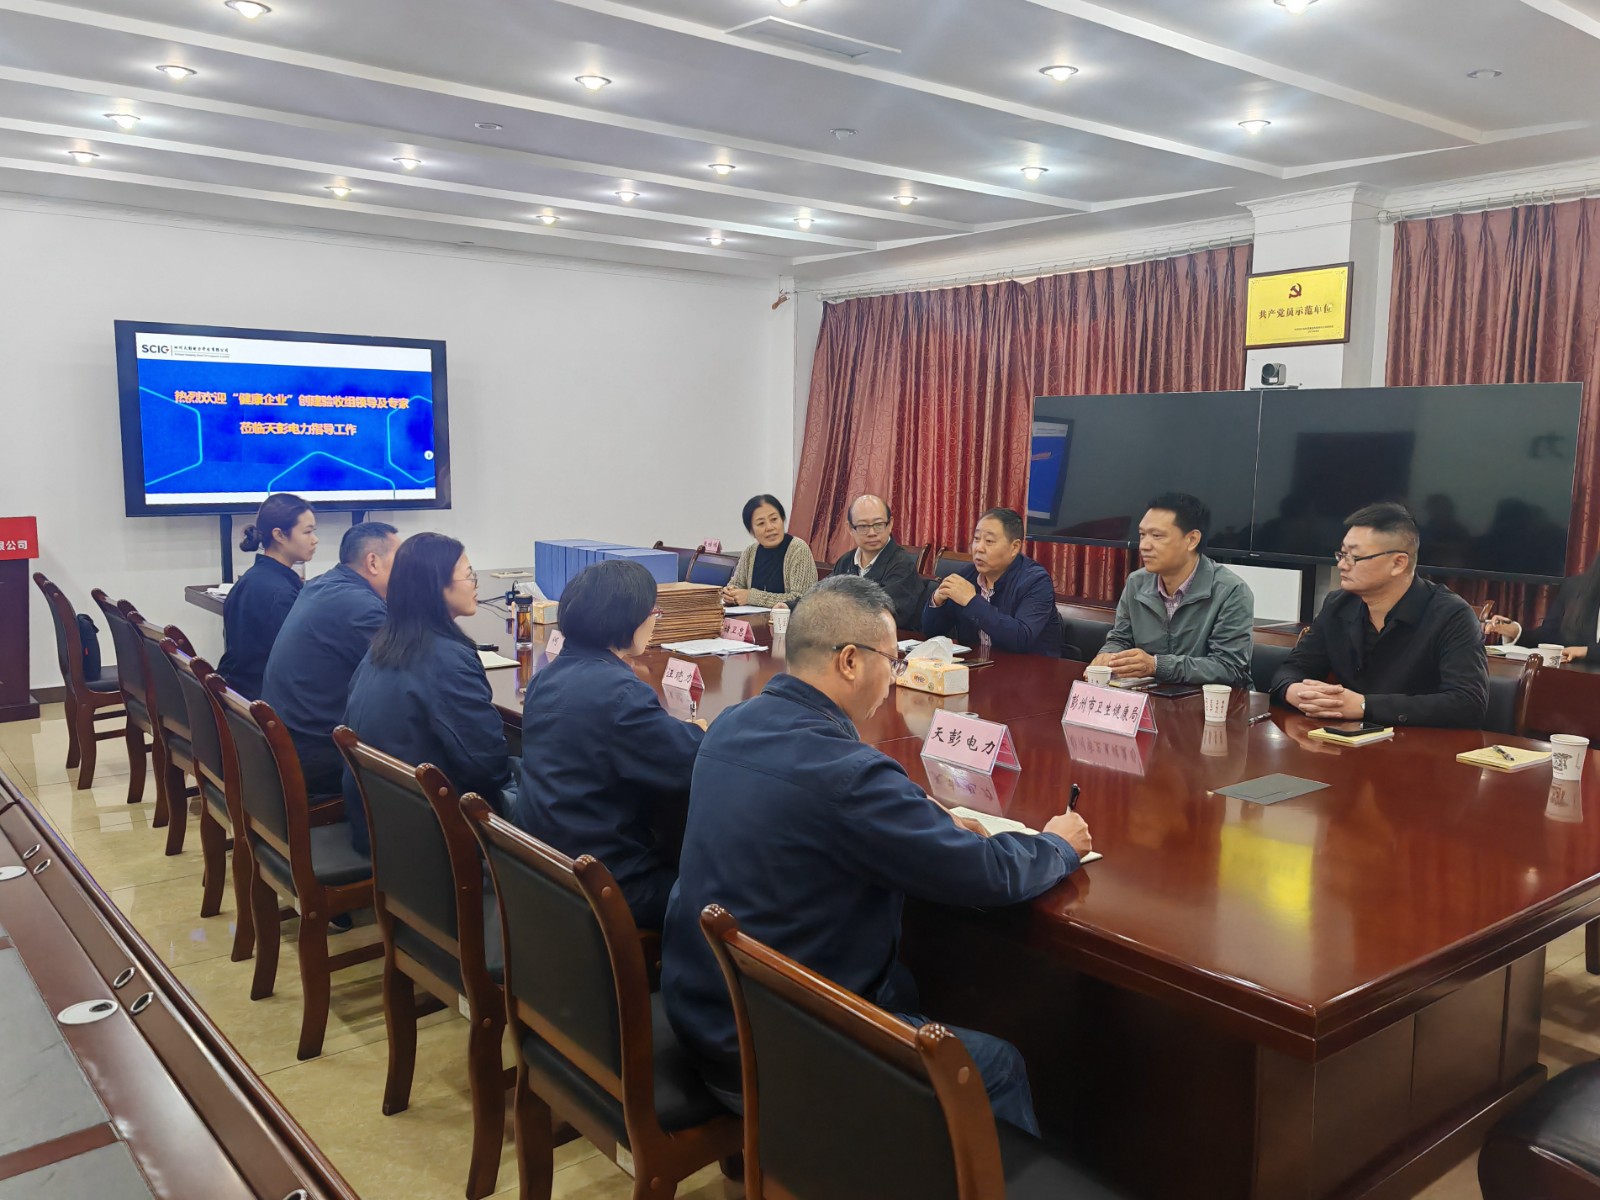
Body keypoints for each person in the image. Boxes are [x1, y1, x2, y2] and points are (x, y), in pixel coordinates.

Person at [662, 575, 1092, 1135]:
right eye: (891, 661)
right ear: (849, 661)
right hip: (780, 1055)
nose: (893, 678)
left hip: (707, 1014)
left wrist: (920, 814)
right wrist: (1058, 845)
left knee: (907, 983)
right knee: (999, 1065)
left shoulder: (731, 724)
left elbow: (827, 803)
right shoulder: (849, 775)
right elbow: (985, 873)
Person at [513, 560, 707, 928]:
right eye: (653, 611)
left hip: (546, 867)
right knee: (720, 895)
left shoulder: (544, 678)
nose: (655, 620)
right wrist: (697, 731)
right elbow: (689, 762)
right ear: (628, 620)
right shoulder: (621, 695)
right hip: (605, 884)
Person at [341, 533, 512, 855]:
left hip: (377, 824)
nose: (475, 584)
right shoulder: (447, 659)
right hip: (433, 837)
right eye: (469, 575)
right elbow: (488, 766)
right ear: (438, 587)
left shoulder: (384, 645)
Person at [1270, 502, 1488, 728]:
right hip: (1346, 740)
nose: (1342, 565)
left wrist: (1364, 706)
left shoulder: (1451, 615)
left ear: (1398, 563)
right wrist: (1295, 691)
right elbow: (1293, 668)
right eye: (1342, 554)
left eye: (1355, 557)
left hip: (1420, 744)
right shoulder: (1338, 605)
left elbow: (1468, 704)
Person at [261, 522, 400, 796]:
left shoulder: (321, 584)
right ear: (373, 562)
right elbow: (409, 674)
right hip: (320, 758)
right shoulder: (363, 608)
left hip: (287, 744)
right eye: (401, 561)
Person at [1092, 493, 1254, 688]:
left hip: (1211, 701)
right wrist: (1108, 655)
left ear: (1192, 539)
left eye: (1157, 536)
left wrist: (1157, 666)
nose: (1144, 546)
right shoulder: (1136, 582)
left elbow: (1229, 668)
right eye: (1142, 534)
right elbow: (1121, 638)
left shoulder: (1231, 591)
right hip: (1154, 696)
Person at [921, 507, 1064, 657]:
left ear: (1014, 547)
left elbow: (1021, 639)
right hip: (976, 665)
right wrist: (937, 601)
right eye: (976, 539)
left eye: (989, 541)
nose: (979, 548)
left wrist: (972, 601)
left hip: (1030, 668)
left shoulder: (1036, 582)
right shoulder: (966, 576)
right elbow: (932, 633)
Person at [218, 493, 316, 699]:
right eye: (307, 532)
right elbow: (295, 664)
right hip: (265, 701)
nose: (314, 540)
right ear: (279, 535)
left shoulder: (251, 578)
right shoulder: (279, 594)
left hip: (238, 694)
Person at [824, 494, 926, 630]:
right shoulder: (846, 561)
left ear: (890, 524)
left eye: (878, 525)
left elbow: (881, 612)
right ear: (850, 528)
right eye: (863, 526)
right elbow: (822, 594)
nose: (872, 533)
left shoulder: (902, 564)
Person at [1486, 552, 1600, 665]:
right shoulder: (1576, 588)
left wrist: (1587, 652)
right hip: (1571, 672)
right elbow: (1549, 636)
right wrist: (1516, 632)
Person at [721, 494, 817, 608]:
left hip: (790, 619)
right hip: (752, 618)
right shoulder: (750, 552)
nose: (770, 527)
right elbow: (736, 585)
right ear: (752, 531)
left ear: (782, 520)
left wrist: (751, 597)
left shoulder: (798, 549)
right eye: (761, 523)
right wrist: (730, 594)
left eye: (774, 519)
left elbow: (802, 600)